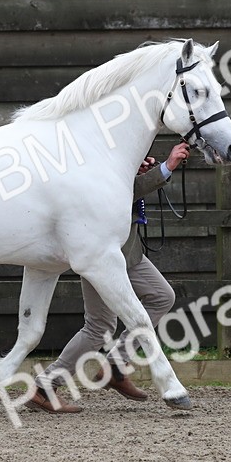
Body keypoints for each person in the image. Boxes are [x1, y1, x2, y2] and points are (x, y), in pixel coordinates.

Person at [25, 142, 192, 413]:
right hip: (100, 253)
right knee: (100, 325)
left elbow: (128, 185)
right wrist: (166, 167)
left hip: (129, 252)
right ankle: (44, 386)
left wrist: (137, 169)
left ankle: (114, 366)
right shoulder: (95, 151)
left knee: (161, 297)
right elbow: (126, 190)